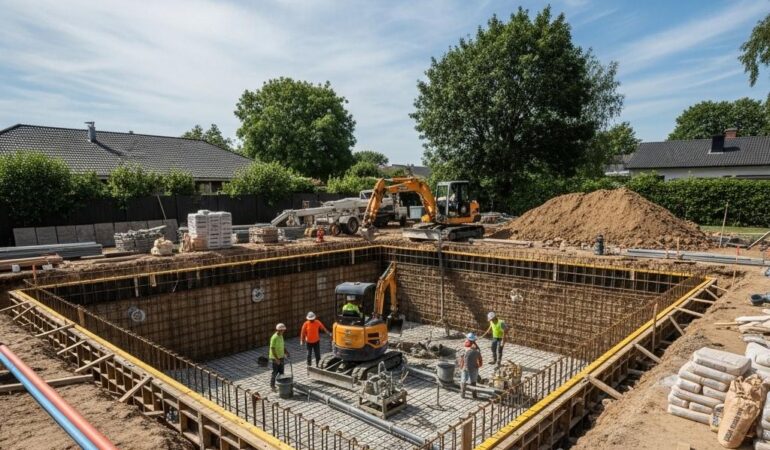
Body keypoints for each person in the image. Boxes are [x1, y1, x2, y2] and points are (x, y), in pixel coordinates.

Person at [459, 332, 483, 399]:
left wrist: (461, 365)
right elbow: (480, 359)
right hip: (473, 367)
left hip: (465, 367)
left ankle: (462, 394)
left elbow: (462, 358)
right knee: (473, 381)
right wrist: (479, 365)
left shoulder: (465, 346)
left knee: (463, 380)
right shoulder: (476, 349)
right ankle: (474, 395)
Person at [269, 323, 289, 391]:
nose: (283, 331)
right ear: (278, 330)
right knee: (275, 371)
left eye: (283, 330)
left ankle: (281, 384)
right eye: (282, 330)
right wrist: (276, 359)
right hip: (275, 357)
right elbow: (272, 349)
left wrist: (286, 352)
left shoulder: (281, 336)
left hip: (281, 356)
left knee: (281, 371)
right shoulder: (274, 338)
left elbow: (282, 345)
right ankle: (272, 386)